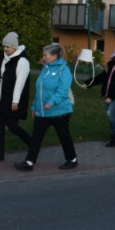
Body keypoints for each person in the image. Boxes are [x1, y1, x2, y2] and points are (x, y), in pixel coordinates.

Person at [15, 43, 78, 171]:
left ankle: (72, 159)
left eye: (45, 55)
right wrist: (34, 107)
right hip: (43, 112)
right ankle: (29, 162)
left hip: (60, 111)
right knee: (36, 137)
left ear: (55, 56)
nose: (43, 57)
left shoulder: (63, 70)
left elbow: (62, 90)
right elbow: (40, 90)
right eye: (43, 55)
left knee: (64, 136)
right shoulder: (45, 68)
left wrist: (51, 102)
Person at [0, 32, 32, 162]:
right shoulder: (4, 57)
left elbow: (20, 82)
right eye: (4, 46)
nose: (5, 49)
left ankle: (33, 144)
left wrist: (15, 101)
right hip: (1, 98)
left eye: (8, 47)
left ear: (15, 47)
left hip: (13, 100)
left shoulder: (22, 61)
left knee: (13, 126)